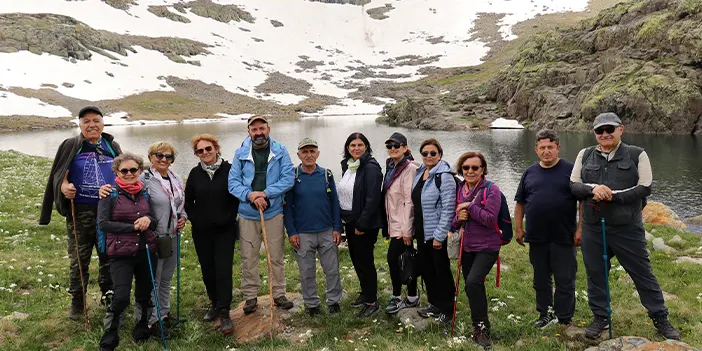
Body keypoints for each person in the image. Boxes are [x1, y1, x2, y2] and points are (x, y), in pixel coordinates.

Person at [570, 112, 680, 340]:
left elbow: (645, 187)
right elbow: (573, 185)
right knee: (596, 274)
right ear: (594, 133)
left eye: (610, 129)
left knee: (642, 274)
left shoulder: (637, 154)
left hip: (627, 229)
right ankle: (600, 317)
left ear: (621, 129)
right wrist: (593, 189)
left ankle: (660, 318)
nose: (605, 134)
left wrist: (613, 196)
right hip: (593, 227)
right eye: (600, 130)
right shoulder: (585, 154)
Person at [39, 106, 119, 320]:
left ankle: (109, 297)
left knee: (109, 256)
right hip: (80, 212)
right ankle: (77, 302)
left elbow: (124, 173)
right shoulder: (71, 145)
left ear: (103, 123)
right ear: (80, 125)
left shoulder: (112, 146)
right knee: (79, 259)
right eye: (86, 121)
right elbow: (58, 175)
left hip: (108, 212)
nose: (91, 124)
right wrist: (63, 188)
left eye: (96, 120)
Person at [228, 115, 295, 314]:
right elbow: (233, 183)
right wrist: (250, 195)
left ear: (268, 129)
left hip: (273, 211)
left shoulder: (280, 151)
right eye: (254, 129)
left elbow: (288, 178)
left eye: (261, 128)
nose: (258, 133)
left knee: (276, 255)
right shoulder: (240, 153)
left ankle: (279, 293)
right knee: (248, 257)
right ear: (249, 132)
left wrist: (265, 193)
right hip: (248, 214)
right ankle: (250, 297)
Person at [514, 129, 580, 328]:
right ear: (536, 149)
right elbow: (520, 202)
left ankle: (564, 318)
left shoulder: (571, 170)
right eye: (542, 148)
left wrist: (581, 229)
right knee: (541, 280)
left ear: (558, 148)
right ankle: (545, 314)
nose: (546, 151)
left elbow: (583, 203)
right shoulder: (529, 172)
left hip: (564, 235)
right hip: (537, 236)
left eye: (550, 147)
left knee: (565, 279)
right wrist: (518, 228)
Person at [97, 153, 158, 351]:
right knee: (121, 295)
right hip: (120, 253)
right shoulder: (109, 194)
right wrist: (133, 227)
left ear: (140, 171)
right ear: (116, 172)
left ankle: (141, 325)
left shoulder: (145, 192)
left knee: (144, 292)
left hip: (146, 250)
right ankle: (111, 331)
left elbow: (154, 220)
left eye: (133, 170)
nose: (129, 173)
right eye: (125, 170)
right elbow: (103, 224)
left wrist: (148, 220)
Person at [129, 142, 186, 333]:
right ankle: (149, 320)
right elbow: (130, 198)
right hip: (154, 236)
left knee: (166, 277)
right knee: (154, 278)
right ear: (151, 156)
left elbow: (180, 205)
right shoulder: (144, 178)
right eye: (159, 155)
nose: (163, 159)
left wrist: (183, 217)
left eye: (168, 157)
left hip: (172, 235)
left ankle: (164, 313)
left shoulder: (176, 178)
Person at [184, 134, 239, 334]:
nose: (205, 153)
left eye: (208, 148)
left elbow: (236, 197)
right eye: (200, 150)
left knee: (223, 269)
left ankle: (224, 311)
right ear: (196, 154)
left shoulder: (230, 169)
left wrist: (229, 217)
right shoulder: (194, 173)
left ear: (216, 148)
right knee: (208, 269)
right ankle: (214, 303)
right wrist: (195, 219)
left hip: (225, 229)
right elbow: (188, 201)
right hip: (202, 231)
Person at [283, 138, 343, 316]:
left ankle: (334, 301)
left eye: (312, 151)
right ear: (298, 154)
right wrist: (291, 232)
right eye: (305, 152)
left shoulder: (327, 175)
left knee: (332, 270)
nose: (308, 155)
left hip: (326, 230)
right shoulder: (292, 177)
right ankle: (312, 304)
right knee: (307, 271)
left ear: (318, 153)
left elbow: (334, 203)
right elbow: (287, 208)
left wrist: (337, 228)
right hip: (302, 233)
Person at [451, 152, 500, 349]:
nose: (470, 171)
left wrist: (469, 207)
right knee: (473, 286)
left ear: (482, 170)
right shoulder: (461, 189)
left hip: (488, 246)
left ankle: (482, 328)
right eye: (466, 168)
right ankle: (478, 324)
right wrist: (460, 216)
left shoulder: (492, 189)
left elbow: (490, 219)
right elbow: (455, 222)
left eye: (475, 168)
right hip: (467, 246)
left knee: (472, 282)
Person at [337, 132, 383, 318]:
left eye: (360, 145)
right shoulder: (349, 166)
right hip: (350, 221)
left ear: (366, 147)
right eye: (352, 145)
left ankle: (372, 301)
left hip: (364, 223)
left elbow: (373, 200)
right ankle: (365, 294)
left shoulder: (371, 168)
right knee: (356, 260)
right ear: (347, 148)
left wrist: (362, 224)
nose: (356, 148)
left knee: (365, 261)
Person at [412, 139, 456, 324]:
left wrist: (440, 235)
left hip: (436, 233)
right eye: (425, 153)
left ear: (440, 154)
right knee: (427, 269)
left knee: (441, 271)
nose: (428, 156)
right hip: (422, 231)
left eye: (433, 153)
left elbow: (448, 208)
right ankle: (434, 304)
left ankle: (447, 309)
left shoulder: (444, 176)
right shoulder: (420, 173)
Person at [382, 132, 420, 314]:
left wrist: (407, 230)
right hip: (395, 223)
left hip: (404, 225)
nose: (392, 149)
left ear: (405, 148)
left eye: (396, 145)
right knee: (405, 258)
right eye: (389, 146)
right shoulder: (392, 166)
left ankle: (401, 296)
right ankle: (410, 295)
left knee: (398, 259)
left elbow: (409, 201)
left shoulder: (409, 168)